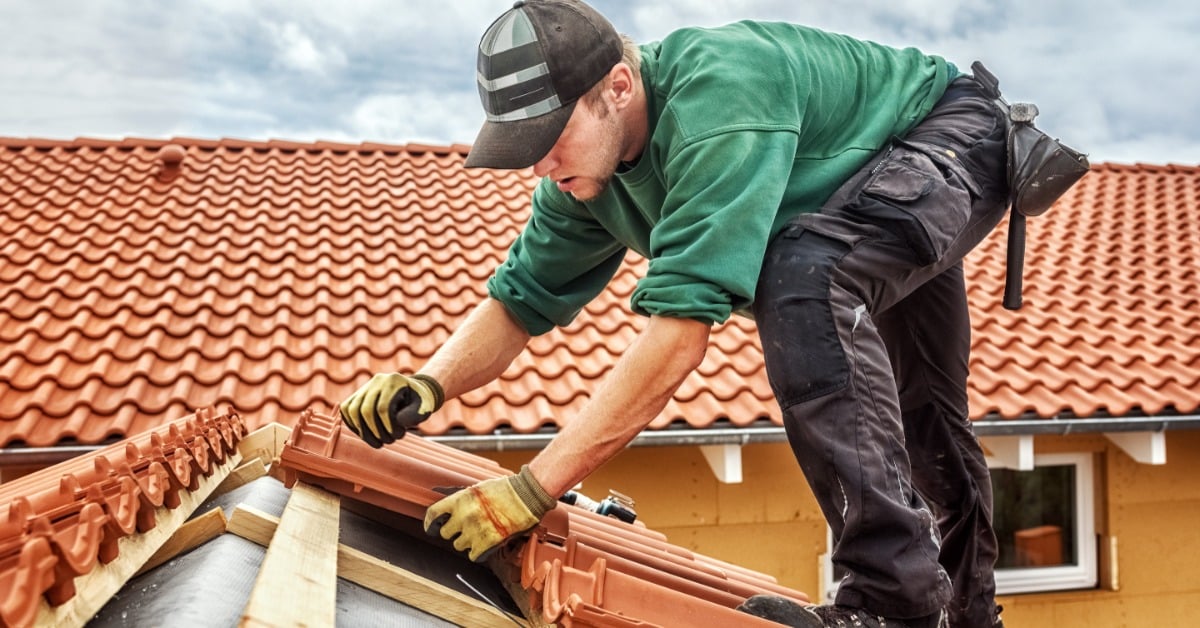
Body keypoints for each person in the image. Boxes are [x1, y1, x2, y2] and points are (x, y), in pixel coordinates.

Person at [340, 1, 1012, 626]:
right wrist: (429, 381)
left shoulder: (718, 100)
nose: (542, 164)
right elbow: (519, 302)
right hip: (860, 193)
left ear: (620, 87)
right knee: (921, 410)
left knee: (805, 280)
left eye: (551, 135)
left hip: (948, 134)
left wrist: (532, 489)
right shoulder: (582, 180)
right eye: (526, 146)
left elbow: (678, 338)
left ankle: (894, 603)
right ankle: (957, 612)